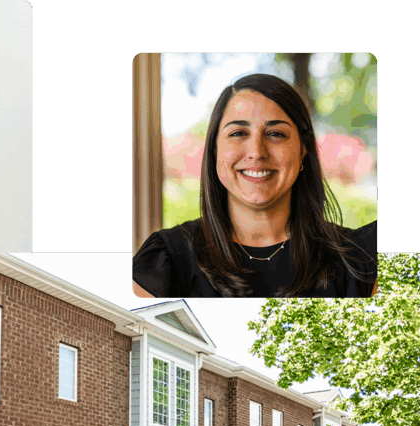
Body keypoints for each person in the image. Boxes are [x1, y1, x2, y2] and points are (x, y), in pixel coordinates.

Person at [133, 73, 377, 298]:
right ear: (215, 149)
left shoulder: (360, 258)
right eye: (238, 133)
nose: (257, 152)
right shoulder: (167, 258)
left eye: (276, 134)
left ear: (303, 149)